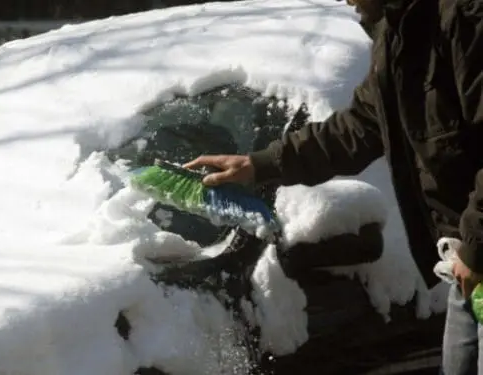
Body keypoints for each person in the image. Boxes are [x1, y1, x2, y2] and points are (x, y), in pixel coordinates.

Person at [183, 0, 483, 373]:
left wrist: (476, 248)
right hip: (467, 270)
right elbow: (359, 128)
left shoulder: (466, 19)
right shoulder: (397, 34)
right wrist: (257, 165)